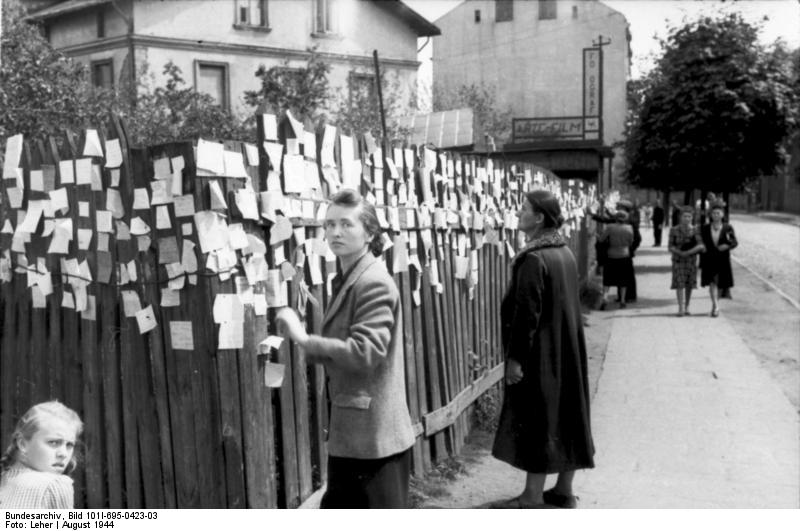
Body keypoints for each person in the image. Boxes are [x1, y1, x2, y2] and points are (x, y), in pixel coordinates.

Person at [276, 189, 415, 509]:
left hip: (375, 442)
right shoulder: (349, 277)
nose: (335, 232)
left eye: (346, 224)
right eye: (329, 224)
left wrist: (304, 338)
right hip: (355, 434)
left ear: (369, 233)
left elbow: (365, 352)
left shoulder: (373, 282)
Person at [491, 190, 595, 509]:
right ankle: (563, 490)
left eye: (524, 209)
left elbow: (526, 316)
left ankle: (532, 496)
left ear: (538, 218)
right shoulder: (564, 252)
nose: (518, 213)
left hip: (542, 353)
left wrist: (515, 360)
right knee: (568, 413)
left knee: (539, 417)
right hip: (567, 350)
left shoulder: (534, 258)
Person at [0, 401, 83, 509]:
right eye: (53, 442)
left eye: (69, 445)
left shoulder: (5, 477)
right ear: (23, 444)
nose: (63, 454)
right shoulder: (54, 486)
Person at [699, 202, 738, 317]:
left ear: (722, 214)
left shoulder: (727, 227)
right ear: (710, 215)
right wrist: (702, 249)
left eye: (718, 213)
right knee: (712, 282)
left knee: (720, 284)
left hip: (722, 260)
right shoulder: (705, 228)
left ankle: (714, 304)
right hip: (709, 259)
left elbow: (734, 242)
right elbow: (701, 242)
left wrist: (727, 246)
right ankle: (716, 306)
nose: (715, 215)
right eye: (713, 213)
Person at [668, 206, 705, 316]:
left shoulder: (696, 230)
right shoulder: (674, 230)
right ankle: (680, 308)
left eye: (689, 216)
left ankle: (687, 306)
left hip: (691, 261)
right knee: (680, 283)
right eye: (685, 216)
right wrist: (680, 253)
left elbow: (701, 245)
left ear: (692, 218)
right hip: (678, 260)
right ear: (680, 217)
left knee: (689, 284)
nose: (687, 218)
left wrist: (688, 253)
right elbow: (670, 246)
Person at [598, 211, 635, 310]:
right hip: (624, 254)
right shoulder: (629, 228)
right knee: (623, 279)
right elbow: (631, 242)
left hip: (611, 255)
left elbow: (601, 240)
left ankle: (605, 297)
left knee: (608, 279)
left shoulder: (610, 227)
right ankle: (622, 300)